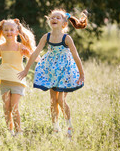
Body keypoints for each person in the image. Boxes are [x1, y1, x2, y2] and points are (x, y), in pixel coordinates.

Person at [18, 9, 87, 137]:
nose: (54, 19)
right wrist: (26, 69)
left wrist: (81, 73)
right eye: (52, 18)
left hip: (65, 71)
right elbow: (35, 53)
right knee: (53, 101)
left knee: (61, 100)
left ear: (64, 24)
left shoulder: (67, 38)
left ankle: (69, 127)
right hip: (51, 71)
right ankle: (55, 128)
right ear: (49, 21)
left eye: (58, 18)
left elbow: (76, 56)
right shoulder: (47, 37)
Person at [0, 19, 38, 136]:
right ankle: (10, 131)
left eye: (12, 30)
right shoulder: (1, 48)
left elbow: (36, 59)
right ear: (2, 32)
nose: (9, 32)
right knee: (6, 108)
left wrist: (28, 52)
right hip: (4, 80)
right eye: (6, 30)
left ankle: (19, 131)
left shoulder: (20, 46)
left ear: (17, 32)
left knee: (14, 107)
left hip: (17, 79)